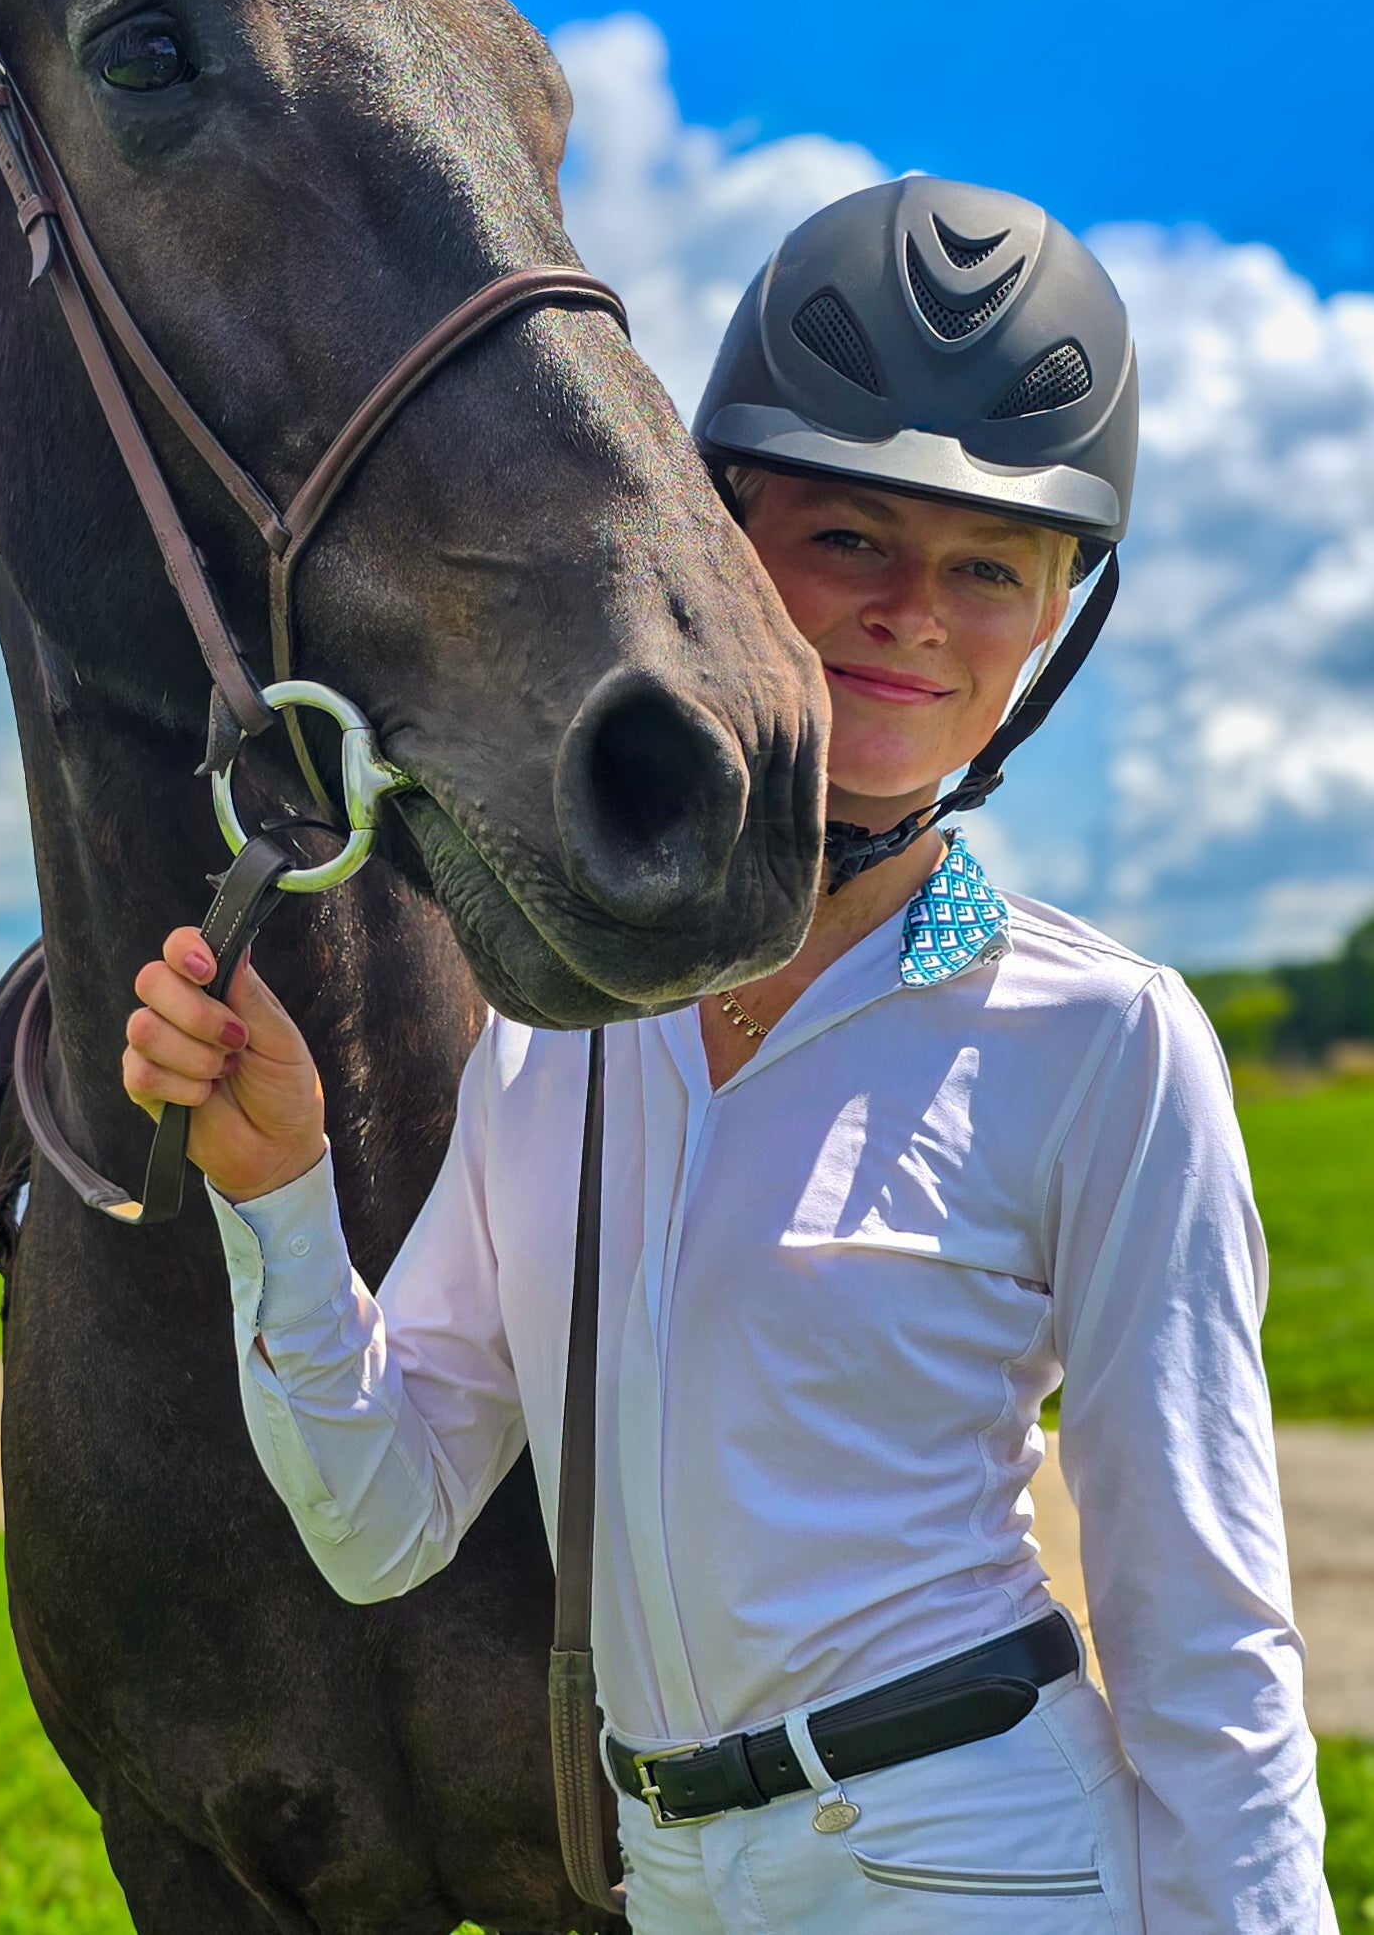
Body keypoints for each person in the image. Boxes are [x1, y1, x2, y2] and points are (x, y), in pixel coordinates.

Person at [123, 177, 1332, 1933]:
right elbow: (378, 1522)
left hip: (976, 1859)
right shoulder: (557, 1035)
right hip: (667, 1871)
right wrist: (280, 1196)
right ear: (719, 539)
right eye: (848, 538)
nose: (912, 609)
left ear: (1053, 624)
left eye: (989, 566)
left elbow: (1201, 1623)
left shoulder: (1106, 1042)